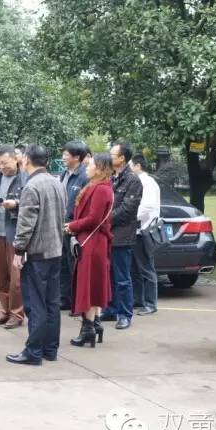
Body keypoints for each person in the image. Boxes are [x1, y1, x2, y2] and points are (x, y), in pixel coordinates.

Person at [6, 144, 67, 366]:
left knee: (35, 303)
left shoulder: (32, 186)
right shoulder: (57, 183)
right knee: (52, 302)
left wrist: (19, 250)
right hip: (55, 250)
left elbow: (26, 224)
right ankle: (50, 349)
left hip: (38, 253)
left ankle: (33, 351)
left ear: (27, 160)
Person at [65, 153, 114, 348]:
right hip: (91, 241)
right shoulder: (96, 186)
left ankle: (88, 330)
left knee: (89, 285)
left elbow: (94, 219)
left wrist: (72, 226)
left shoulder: (101, 189)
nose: (87, 166)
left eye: (90, 164)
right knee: (93, 284)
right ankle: (94, 324)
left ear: (100, 167)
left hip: (93, 242)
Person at [99, 141, 143, 331]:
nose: (109, 157)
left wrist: (103, 218)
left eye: (112, 154)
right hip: (107, 234)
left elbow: (127, 210)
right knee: (108, 275)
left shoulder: (132, 181)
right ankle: (110, 309)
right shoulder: (111, 177)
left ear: (122, 158)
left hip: (122, 236)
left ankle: (124, 314)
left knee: (122, 278)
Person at [0, 145, 25, 329]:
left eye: (5, 163)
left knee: (16, 278)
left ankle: (17, 313)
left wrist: (16, 204)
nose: (2, 167)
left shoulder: (24, 178)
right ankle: (4, 309)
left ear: (15, 159)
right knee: (1, 276)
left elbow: (30, 203)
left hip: (15, 233)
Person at [59, 140, 90, 312]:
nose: (63, 157)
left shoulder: (84, 176)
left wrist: (75, 224)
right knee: (63, 264)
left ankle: (78, 303)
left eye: (66, 154)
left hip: (75, 228)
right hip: (62, 226)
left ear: (77, 157)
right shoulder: (63, 174)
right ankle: (65, 299)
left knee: (75, 266)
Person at [131, 154, 161, 316]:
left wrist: (131, 218)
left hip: (144, 230)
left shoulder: (147, 182)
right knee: (136, 268)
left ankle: (150, 303)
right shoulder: (142, 181)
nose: (129, 168)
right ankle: (139, 300)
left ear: (138, 166)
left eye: (131, 165)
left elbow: (147, 207)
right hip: (137, 230)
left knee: (146, 268)